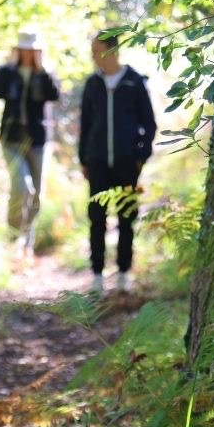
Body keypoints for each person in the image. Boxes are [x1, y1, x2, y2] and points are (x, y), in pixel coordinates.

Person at [79, 30, 157, 293]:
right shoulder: (92, 84)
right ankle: (97, 276)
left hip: (127, 163)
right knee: (97, 218)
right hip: (97, 162)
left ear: (111, 51)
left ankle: (124, 274)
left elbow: (149, 123)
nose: (93, 56)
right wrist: (84, 158)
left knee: (126, 217)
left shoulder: (134, 82)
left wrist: (140, 157)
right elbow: (85, 124)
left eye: (96, 50)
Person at [0, 29, 60, 260]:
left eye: (33, 50)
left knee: (36, 194)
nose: (29, 54)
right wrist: (10, 67)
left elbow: (54, 94)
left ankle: (26, 243)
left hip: (38, 141)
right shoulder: (7, 72)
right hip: (11, 139)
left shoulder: (45, 74)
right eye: (25, 50)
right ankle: (13, 236)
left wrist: (42, 69)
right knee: (22, 187)